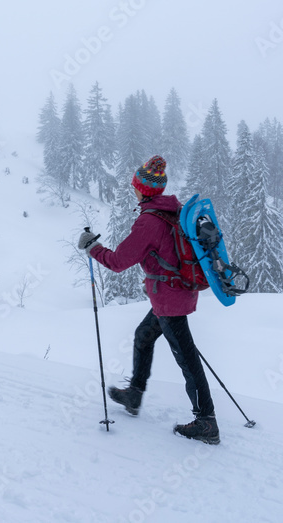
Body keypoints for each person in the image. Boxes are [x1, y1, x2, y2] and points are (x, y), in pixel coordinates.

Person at [76, 155, 219, 444]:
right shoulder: (173, 210)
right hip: (174, 294)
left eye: (135, 186)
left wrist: (93, 248)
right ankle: (134, 395)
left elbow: (118, 262)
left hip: (170, 300)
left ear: (142, 189)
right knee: (144, 335)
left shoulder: (149, 222)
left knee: (187, 359)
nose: (134, 189)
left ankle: (206, 421)